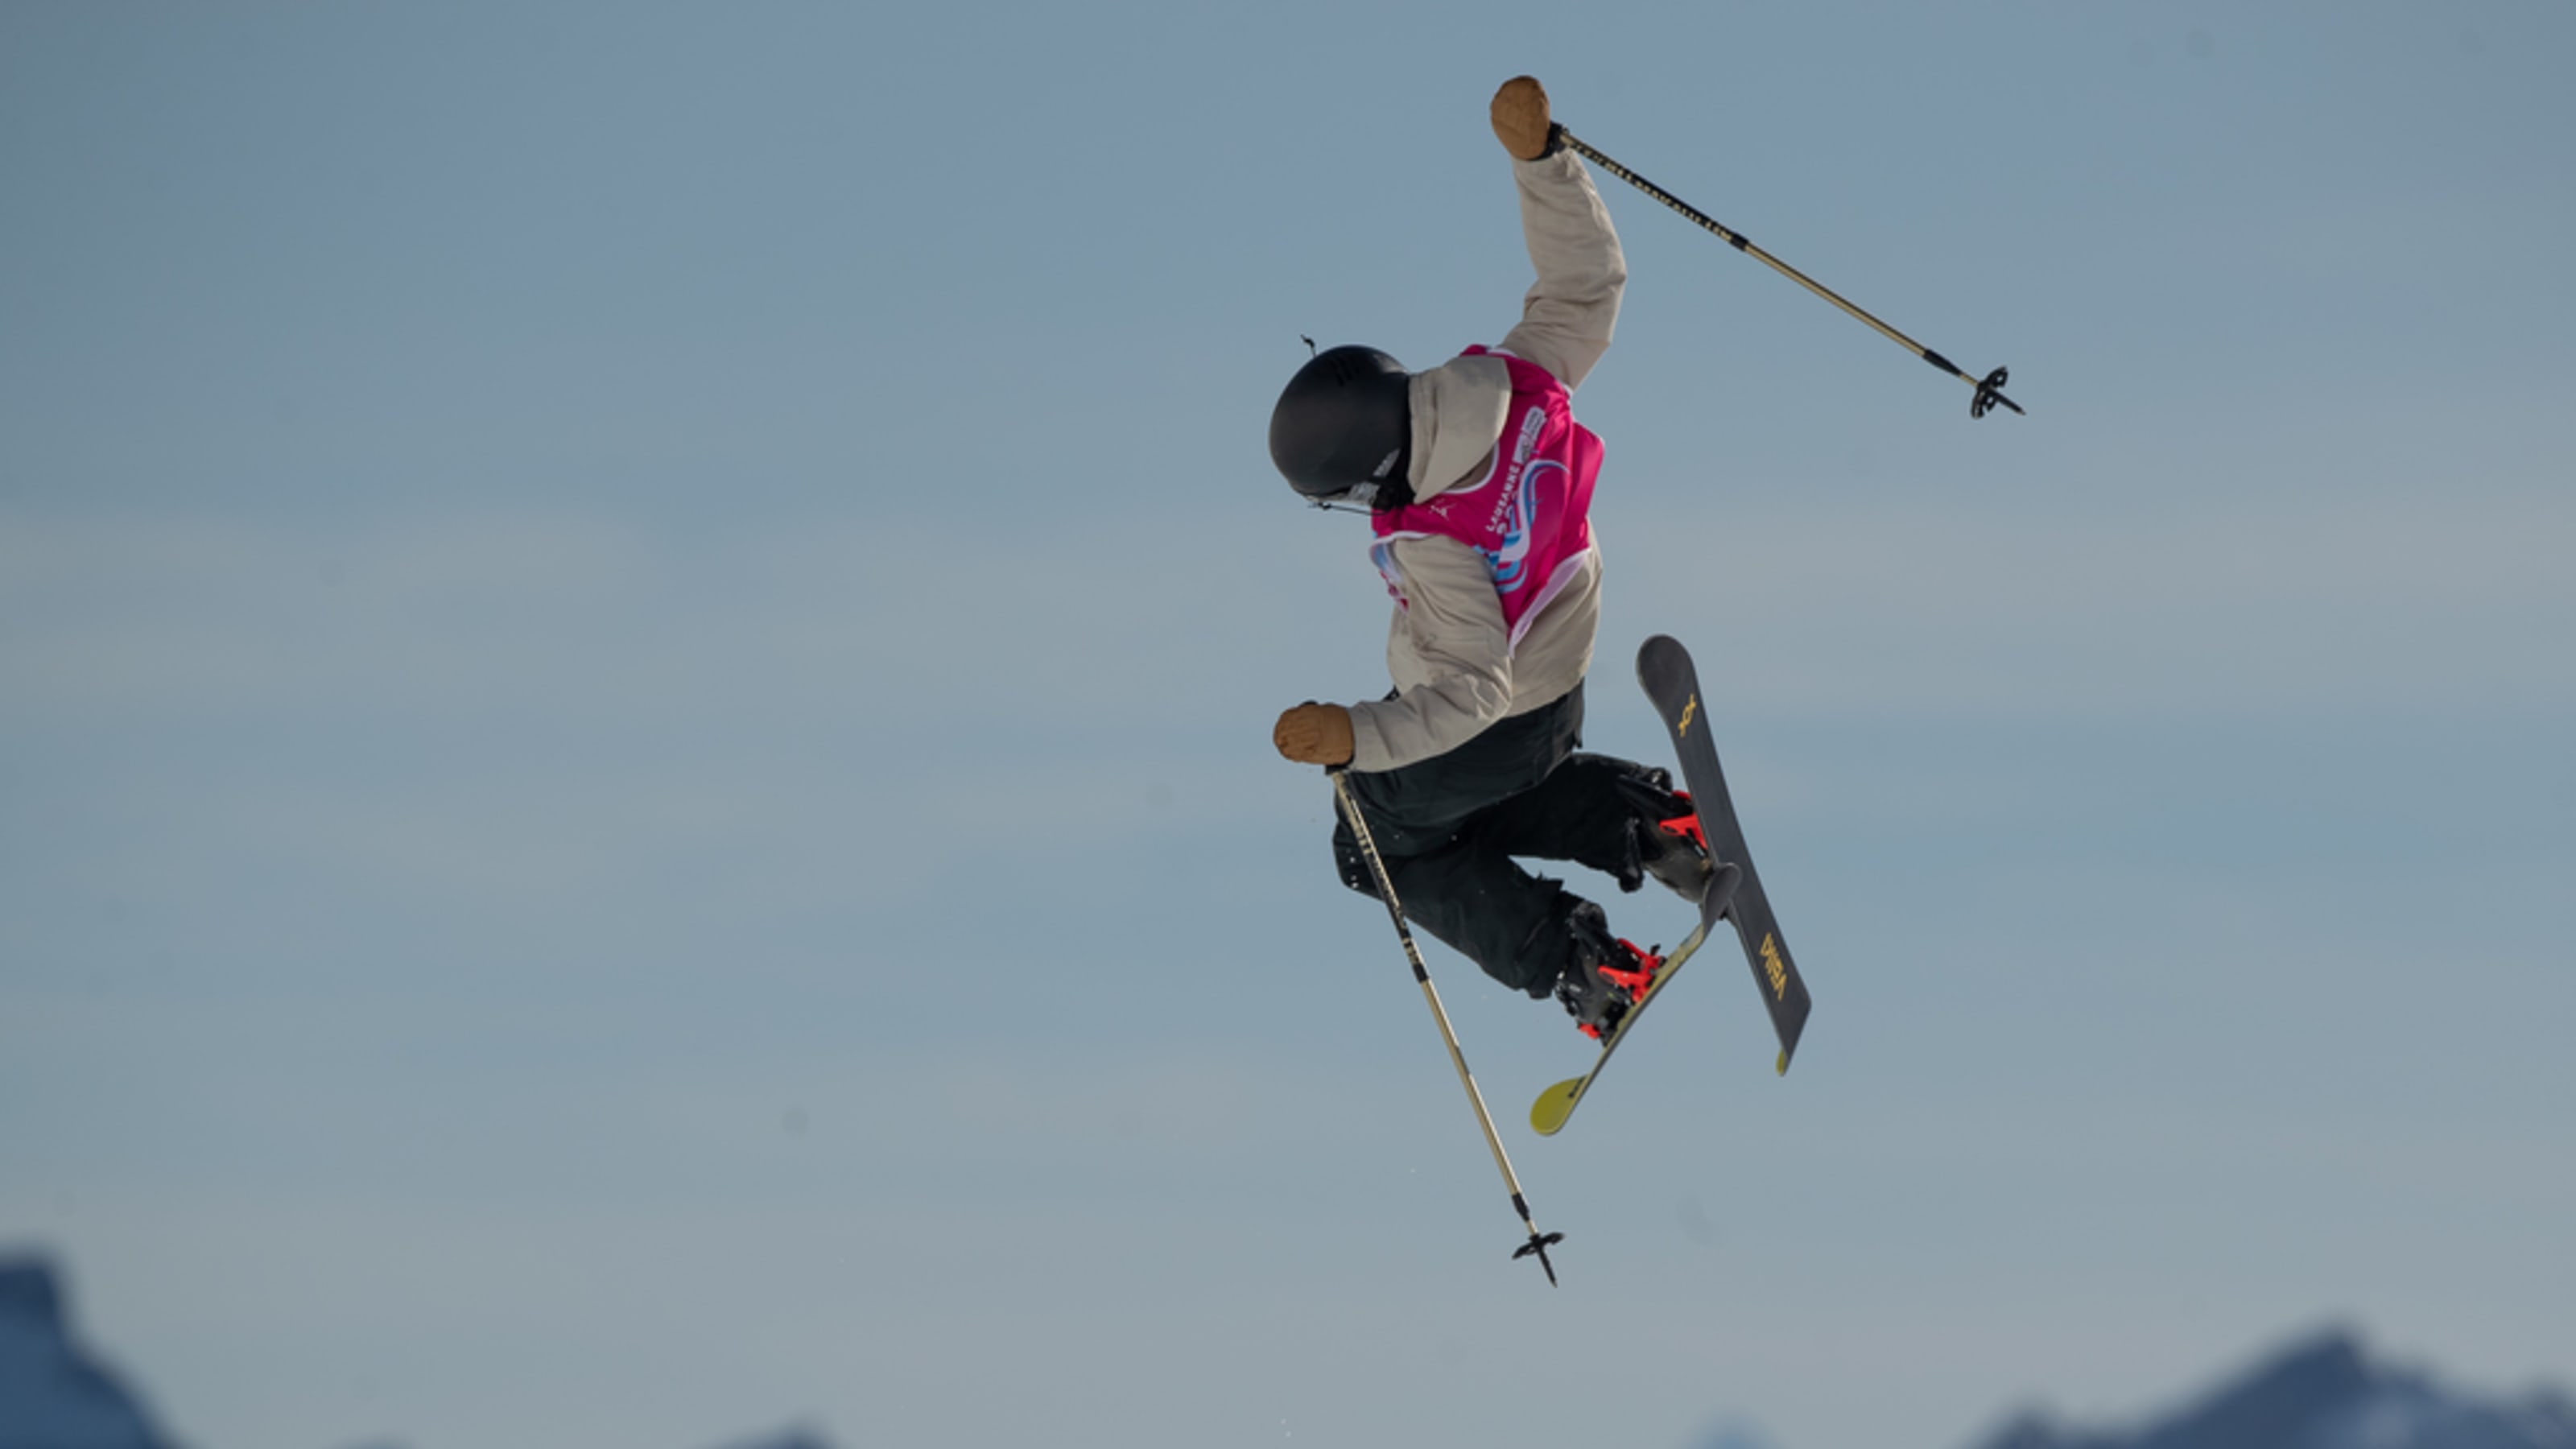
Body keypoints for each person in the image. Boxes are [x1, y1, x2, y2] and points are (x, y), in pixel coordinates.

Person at [1269, 76, 1723, 1040]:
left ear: (1373, 470)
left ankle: (1584, 961)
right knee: (1446, 815)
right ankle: (1638, 821)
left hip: (1499, 716)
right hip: (1555, 702)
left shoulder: (1433, 535)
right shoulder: (1515, 384)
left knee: (1370, 843)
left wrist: (1353, 737)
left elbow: (1472, 688)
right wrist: (1541, 161)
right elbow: (1584, 286)